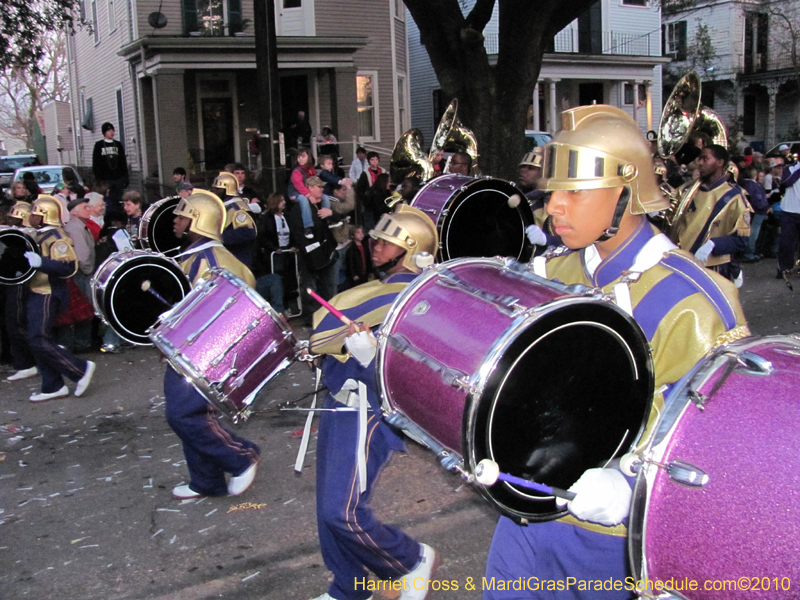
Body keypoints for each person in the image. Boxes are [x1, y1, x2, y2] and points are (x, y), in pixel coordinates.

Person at [483, 105, 749, 600]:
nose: (553, 206)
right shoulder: (551, 274)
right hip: (527, 509)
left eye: (574, 193)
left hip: (618, 539)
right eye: (552, 190)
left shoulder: (694, 301)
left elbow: (718, 442)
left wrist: (632, 486)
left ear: (626, 193)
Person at [308, 204, 440, 600]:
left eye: (387, 241)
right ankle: (349, 586)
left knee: (342, 510)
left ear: (409, 248)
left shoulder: (415, 301)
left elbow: (411, 373)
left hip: (369, 410)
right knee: (326, 508)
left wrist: (371, 358)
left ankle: (410, 560)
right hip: (340, 402)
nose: (376, 244)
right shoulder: (382, 289)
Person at [165, 191, 260, 500]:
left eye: (182, 216)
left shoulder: (212, 260)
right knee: (189, 414)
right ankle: (205, 480)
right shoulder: (196, 255)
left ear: (197, 221)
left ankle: (240, 456)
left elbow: (225, 316)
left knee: (184, 415)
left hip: (204, 352)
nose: (176, 221)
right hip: (187, 347)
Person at [19, 195, 96, 402]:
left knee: (38, 338)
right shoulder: (41, 235)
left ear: (44, 215)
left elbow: (69, 267)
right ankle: (52, 384)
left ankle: (79, 369)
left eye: (34, 214)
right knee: (38, 339)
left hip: (49, 293)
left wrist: (41, 263)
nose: (31, 217)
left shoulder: (56, 237)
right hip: (38, 290)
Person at [669, 144, 752, 286]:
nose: (699, 163)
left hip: (714, 267)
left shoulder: (735, 198)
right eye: (699, 158)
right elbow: (670, 222)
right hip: (682, 263)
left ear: (719, 163)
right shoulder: (686, 190)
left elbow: (741, 240)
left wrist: (714, 244)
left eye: (705, 159)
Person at [286, 176, 339, 322]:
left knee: (330, 285)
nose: (322, 189)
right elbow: (297, 231)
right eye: (318, 187)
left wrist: (331, 213)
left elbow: (342, 216)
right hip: (311, 254)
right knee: (310, 287)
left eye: (322, 187)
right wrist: (308, 250)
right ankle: (312, 317)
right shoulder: (299, 208)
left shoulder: (323, 203)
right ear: (309, 188)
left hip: (327, 251)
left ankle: (331, 316)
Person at [5, 202, 38, 383]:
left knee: (16, 324)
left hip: (19, 283)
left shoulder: (25, 237)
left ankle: (44, 353)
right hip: (12, 282)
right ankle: (23, 364)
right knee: (12, 325)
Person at [58, 195, 96, 353]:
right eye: (85, 208)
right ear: (74, 212)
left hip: (80, 272)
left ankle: (80, 342)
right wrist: (89, 272)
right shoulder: (76, 228)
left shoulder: (79, 226)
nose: (89, 210)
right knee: (84, 309)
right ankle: (82, 343)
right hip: (81, 274)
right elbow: (82, 255)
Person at [252, 193, 297, 316]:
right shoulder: (266, 218)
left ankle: (288, 304)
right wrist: (273, 248)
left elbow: (294, 232)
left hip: (288, 252)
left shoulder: (287, 216)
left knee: (289, 278)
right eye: (282, 200)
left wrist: (293, 246)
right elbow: (262, 236)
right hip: (274, 253)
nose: (284, 202)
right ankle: (279, 306)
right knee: (277, 278)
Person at [211, 172, 258, 268]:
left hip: (238, 260)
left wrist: (218, 237)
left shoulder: (238, 209)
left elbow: (248, 232)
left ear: (226, 190)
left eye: (217, 189)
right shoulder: (226, 206)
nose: (214, 192)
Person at [518, 150, 562, 252]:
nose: (523, 170)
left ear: (544, 172)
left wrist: (546, 239)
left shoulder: (554, 204)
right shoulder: (518, 197)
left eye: (531, 168)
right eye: (522, 167)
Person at [288, 148, 331, 234]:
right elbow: (299, 185)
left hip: (307, 192)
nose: (300, 159)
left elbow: (315, 182)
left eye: (303, 156)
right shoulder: (296, 171)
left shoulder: (311, 170)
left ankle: (327, 219)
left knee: (325, 197)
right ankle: (308, 226)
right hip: (295, 193)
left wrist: (317, 195)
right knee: (303, 200)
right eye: (299, 157)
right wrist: (309, 196)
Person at [92, 122, 128, 206]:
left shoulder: (118, 145)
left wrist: (125, 177)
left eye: (113, 130)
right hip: (105, 179)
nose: (112, 132)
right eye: (109, 130)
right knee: (107, 200)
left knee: (118, 199)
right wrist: (98, 178)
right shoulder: (99, 145)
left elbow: (123, 161)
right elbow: (96, 162)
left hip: (118, 178)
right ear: (104, 132)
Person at [739, 166, 769, 262]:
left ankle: (749, 252)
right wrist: (764, 207)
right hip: (757, 211)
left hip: (754, 211)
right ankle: (749, 253)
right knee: (753, 233)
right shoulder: (752, 185)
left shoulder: (745, 184)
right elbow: (757, 199)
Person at [778, 151, 800, 278]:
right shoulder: (790, 169)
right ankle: (784, 268)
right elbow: (786, 182)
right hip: (789, 211)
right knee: (787, 242)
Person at [355, 152, 385, 229]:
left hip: (382, 200)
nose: (374, 161)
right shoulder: (365, 173)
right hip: (370, 202)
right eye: (372, 159)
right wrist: (365, 199)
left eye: (376, 159)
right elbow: (359, 189)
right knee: (370, 223)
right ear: (368, 161)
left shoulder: (383, 171)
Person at [341, 226, 372, 291]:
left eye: (362, 232)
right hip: (357, 275)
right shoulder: (351, 248)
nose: (361, 234)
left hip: (365, 273)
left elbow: (368, 259)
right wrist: (353, 274)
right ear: (352, 235)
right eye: (358, 232)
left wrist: (370, 271)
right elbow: (350, 263)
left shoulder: (365, 245)